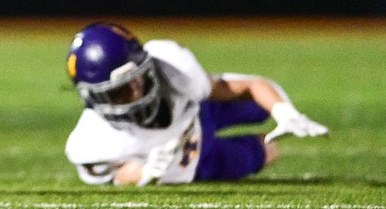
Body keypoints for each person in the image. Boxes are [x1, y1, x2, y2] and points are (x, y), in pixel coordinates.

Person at [64, 22, 329, 186]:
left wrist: (284, 111)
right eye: (120, 92)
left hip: (203, 112)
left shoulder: (174, 70)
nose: (135, 94)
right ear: (94, 97)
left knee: (258, 106)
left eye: (137, 81)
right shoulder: (90, 143)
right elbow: (118, 175)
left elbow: (250, 86)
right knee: (267, 151)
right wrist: (146, 172)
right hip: (198, 165)